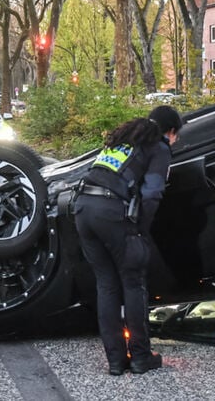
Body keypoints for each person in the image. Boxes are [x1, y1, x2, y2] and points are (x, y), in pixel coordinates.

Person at [74, 105, 183, 376]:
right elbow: (153, 192)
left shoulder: (124, 141)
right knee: (133, 282)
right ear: (170, 131)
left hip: (83, 209)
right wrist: (140, 230)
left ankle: (115, 361)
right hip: (111, 212)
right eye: (176, 135)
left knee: (107, 285)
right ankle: (141, 357)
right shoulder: (158, 147)